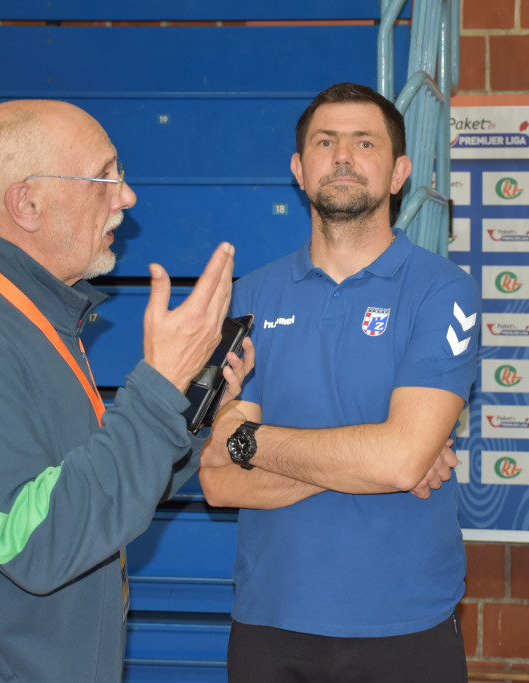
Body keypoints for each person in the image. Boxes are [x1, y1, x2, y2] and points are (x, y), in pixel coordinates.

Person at [0, 99, 252, 681]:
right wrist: (156, 390)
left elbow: (88, 496)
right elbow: (38, 542)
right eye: (105, 177)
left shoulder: (27, 326)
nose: (127, 196)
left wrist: (187, 409)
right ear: (27, 204)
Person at [199, 82, 480, 682]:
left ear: (399, 172)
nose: (344, 156)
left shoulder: (442, 290)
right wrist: (374, 459)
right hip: (270, 623)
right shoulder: (250, 297)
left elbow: (399, 462)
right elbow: (218, 482)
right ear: (299, 170)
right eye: (325, 143)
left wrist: (249, 441)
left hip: (405, 626)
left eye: (364, 143)